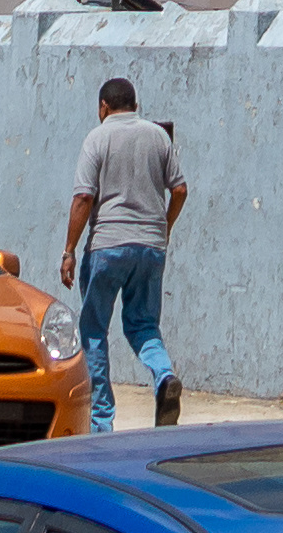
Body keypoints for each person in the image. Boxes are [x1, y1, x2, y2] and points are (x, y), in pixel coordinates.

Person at [67, 72, 184, 429]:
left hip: (107, 246)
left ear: (103, 107)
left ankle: (102, 420)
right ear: (135, 105)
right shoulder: (158, 136)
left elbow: (84, 197)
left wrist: (69, 250)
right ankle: (164, 375)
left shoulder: (97, 138)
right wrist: (162, 227)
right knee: (144, 324)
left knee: (93, 331)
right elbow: (179, 190)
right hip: (151, 248)